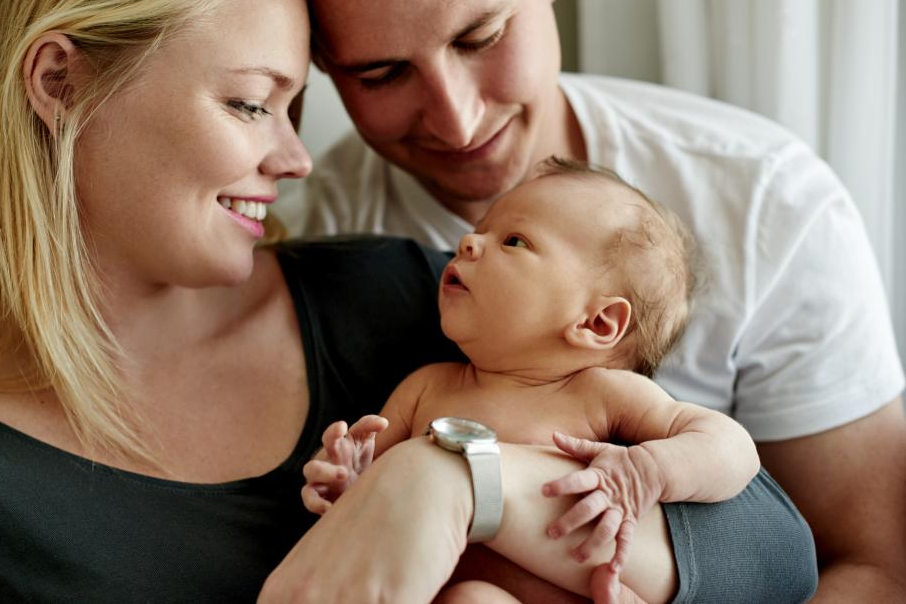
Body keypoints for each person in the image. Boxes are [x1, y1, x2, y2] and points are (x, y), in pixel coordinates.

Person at [0, 0, 815, 602]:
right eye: (252, 105)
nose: (294, 160)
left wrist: (451, 481)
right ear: (60, 83)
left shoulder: (402, 295)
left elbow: (773, 555)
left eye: (297, 109)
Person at [273, 0, 906, 600]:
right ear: (322, 62)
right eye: (381, 73)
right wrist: (348, 476)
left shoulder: (765, 202)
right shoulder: (315, 246)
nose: (457, 121)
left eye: (480, 36)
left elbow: (874, 564)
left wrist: (642, 475)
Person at [302, 158, 799, 603]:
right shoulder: (427, 387)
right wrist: (347, 480)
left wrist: (646, 471)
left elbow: (733, 449)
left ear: (596, 323)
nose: (468, 242)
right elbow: (383, 500)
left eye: (514, 240)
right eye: (479, 230)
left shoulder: (599, 395)